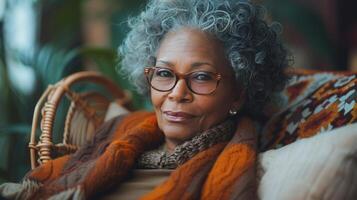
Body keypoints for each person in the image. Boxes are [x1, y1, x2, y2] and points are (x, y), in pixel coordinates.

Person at [0, 0, 290, 199]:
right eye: (164, 73)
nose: (176, 93)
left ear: (238, 94)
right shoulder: (120, 133)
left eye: (201, 77)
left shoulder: (244, 168)